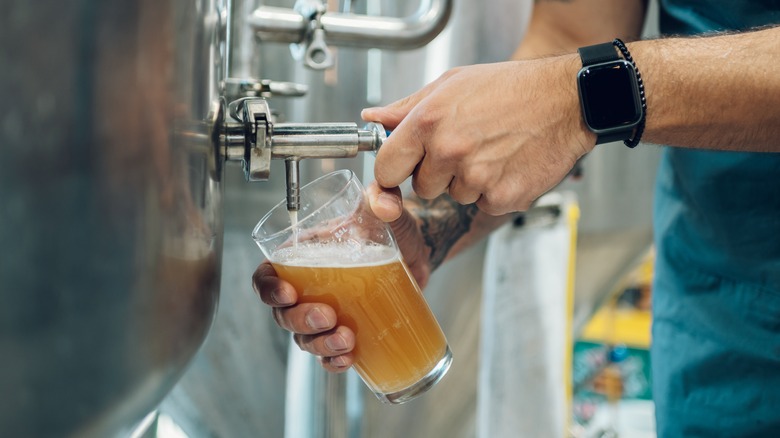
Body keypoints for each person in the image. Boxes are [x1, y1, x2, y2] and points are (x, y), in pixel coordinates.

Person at [253, 1, 780, 435]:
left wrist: (576, 97)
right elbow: (572, 32)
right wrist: (429, 227)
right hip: (718, 313)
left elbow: (565, 87)